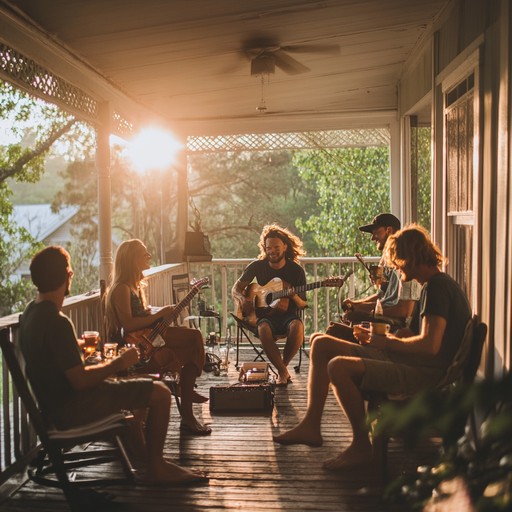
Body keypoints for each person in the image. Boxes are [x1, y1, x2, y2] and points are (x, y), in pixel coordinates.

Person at [273, 225, 472, 471]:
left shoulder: (438, 288)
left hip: (425, 372)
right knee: (321, 343)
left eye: (398, 261)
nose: (397, 267)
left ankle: (361, 446)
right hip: (412, 360)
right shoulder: (434, 285)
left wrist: (386, 342)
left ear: (412, 257)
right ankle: (311, 426)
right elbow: (418, 334)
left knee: (339, 367)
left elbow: (430, 347)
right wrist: (385, 336)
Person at [19, 246, 207, 485]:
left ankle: (144, 458)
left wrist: (81, 349)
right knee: (160, 394)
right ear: (68, 275)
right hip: (74, 408)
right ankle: (157, 467)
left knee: (138, 395)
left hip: (55, 406)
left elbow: (56, 359)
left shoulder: (31, 313)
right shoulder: (57, 322)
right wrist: (120, 361)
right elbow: (80, 380)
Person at [104, 239, 211, 435]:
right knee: (194, 340)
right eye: (144, 254)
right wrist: (158, 314)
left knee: (191, 347)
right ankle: (186, 404)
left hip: (149, 341)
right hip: (137, 351)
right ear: (132, 260)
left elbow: (141, 316)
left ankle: (186, 396)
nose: (149, 256)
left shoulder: (134, 286)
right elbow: (127, 324)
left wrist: (159, 313)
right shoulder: (121, 288)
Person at [232, 224, 308, 386]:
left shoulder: (296, 271)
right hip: (263, 316)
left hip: (288, 316)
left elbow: (303, 304)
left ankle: (282, 369)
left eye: (276, 247)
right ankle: (282, 372)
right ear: (264, 249)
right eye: (268, 248)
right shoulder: (257, 266)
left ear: (285, 247)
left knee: (297, 327)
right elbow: (236, 289)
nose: (272, 251)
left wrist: (293, 294)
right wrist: (242, 299)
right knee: (263, 328)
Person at [328, 213, 421, 342]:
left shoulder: (407, 262)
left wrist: (363, 309)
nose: (372, 238)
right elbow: (382, 295)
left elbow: (404, 311)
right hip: (382, 317)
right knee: (340, 322)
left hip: (395, 325)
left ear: (389, 230)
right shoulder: (386, 258)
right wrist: (356, 303)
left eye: (375, 232)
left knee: (335, 330)